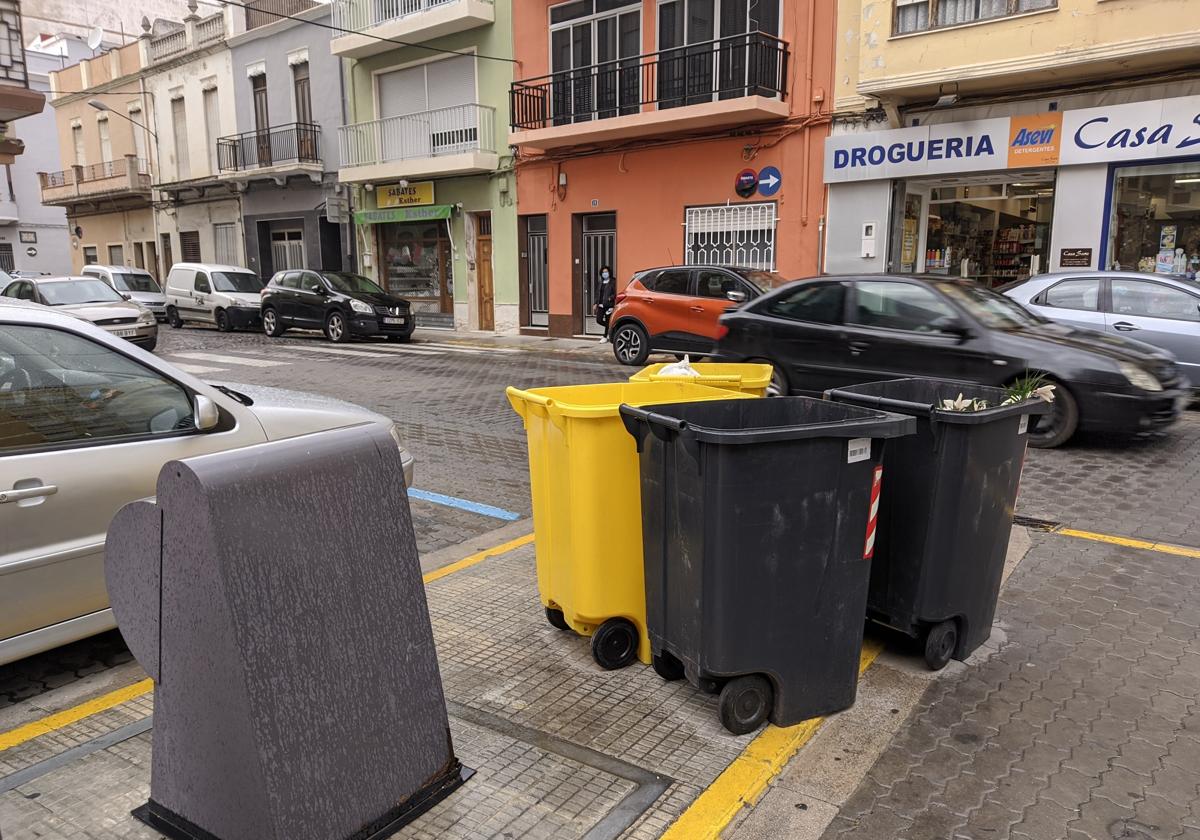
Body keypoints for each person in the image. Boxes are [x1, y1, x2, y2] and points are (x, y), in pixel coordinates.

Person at [595, 265, 616, 343]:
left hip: (609, 305)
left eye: (606, 272)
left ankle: (605, 336)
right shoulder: (601, 282)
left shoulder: (613, 281)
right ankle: (612, 329)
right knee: (599, 320)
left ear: (609, 272)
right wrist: (595, 303)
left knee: (607, 320)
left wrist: (611, 298)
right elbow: (598, 293)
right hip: (601, 304)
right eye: (603, 272)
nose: (605, 274)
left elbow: (616, 292)